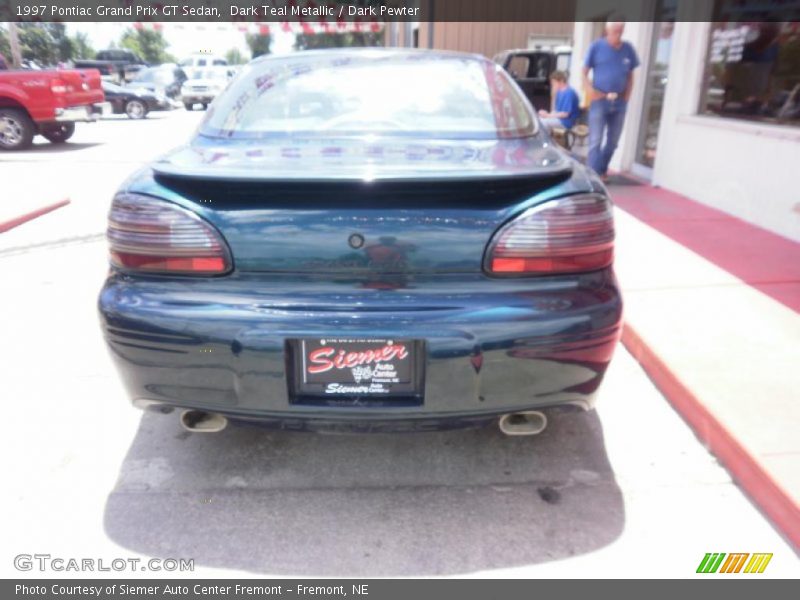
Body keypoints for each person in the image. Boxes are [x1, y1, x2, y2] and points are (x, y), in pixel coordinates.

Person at [583, 21, 640, 180]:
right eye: (615, 30)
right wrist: (589, 90)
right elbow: (584, 72)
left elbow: (630, 76)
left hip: (620, 102)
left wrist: (627, 96)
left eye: (621, 30)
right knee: (595, 140)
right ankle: (593, 177)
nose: (618, 33)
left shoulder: (628, 49)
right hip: (600, 100)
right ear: (607, 30)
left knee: (613, 142)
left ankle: (600, 170)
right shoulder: (596, 47)